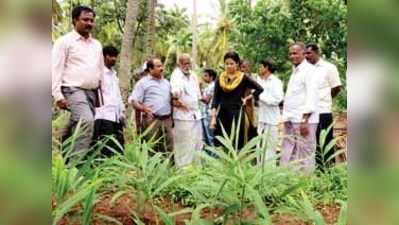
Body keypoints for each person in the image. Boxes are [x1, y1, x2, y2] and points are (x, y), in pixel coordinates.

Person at [52, 5, 104, 158]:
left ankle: (63, 159)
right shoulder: (64, 42)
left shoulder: (97, 45)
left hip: (91, 92)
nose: (89, 23)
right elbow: (55, 69)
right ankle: (76, 166)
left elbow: (99, 70)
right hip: (72, 89)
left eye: (92, 20)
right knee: (85, 121)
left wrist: (102, 94)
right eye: (85, 19)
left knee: (77, 125)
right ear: (75, 20)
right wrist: (58, 95)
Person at [210, 51, 263, 150]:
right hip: (222, 115)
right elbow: (215, 98)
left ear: (237, 64)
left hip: (237, 115)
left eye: (231, 64)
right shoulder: (220, 77)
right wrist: (213, 117)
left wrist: (248, 98)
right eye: (226, 64)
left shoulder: (243, 77)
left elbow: (259, 89)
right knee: (223, 145)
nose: (229, 66)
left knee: (238, 144)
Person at [281, 42, 319, 172]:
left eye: (295, 53)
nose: (292, 56)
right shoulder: (295, 72)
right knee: (290, 152)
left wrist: (305, 120)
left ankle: (307, 187)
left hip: (304, 120)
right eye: (290, 53)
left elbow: (311, 96)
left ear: (303, 53)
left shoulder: (310, 71)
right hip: (291, 119)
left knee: (305, 154)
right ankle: (291, 185)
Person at [305, 43, 342, 169]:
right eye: (305, 53)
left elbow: (336, 87)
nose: (306, 56)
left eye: (309, 53)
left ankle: (328, 172)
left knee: (325, 143)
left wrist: (326, 98)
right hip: (309, 114)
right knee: (311, 144)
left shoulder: (328, 68)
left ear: (317, 52)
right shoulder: (305, 69)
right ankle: (314, 172)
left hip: (323, 111)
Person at [129, 58, 174, 153]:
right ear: (150, 69)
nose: (161, 68)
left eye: (161, 66)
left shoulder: (167, 83)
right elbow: (134, 101)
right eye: (158, 66)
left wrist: (172, 118)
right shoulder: (142, 83)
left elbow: (170, 101)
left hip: (166, 120)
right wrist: (144, 109)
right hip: (152, 121)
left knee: (168, 149)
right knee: (151, 148)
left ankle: (169, 167)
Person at [170, 54, 203, 168]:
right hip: (182, 117)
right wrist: (175, 96)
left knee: (197, 143)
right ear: (179, 64)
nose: (187, 66)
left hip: (196, 114)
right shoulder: (176, 75)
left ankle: (196, 169)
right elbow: (175, 91)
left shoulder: (193, 75)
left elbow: (198, 95)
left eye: (189, 63)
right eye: (185, 63)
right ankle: (183, 170)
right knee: (184, 144)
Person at [92, 45, 125, 156]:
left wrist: (122, 112)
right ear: (104, 57)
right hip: (103, 116)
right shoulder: (98, 73)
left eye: (115, 56)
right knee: (105, 148)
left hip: (115, 117)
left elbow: (117, 95)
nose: (113, 59)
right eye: (110, 56)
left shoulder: (114, 75)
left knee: (118, 148)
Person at [256, 59, 284, 165]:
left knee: (270, 148)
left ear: (266, 67)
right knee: (259, 147)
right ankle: (259, 172)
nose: (259, 69)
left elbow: (278, 99)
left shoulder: (276, 82)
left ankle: (269, 173)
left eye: (260, 67)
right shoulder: (260, 81)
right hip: (261, 118)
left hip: (272, 119)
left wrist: (260, 96)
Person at [240, 59, 258, 142]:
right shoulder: (238, 79)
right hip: (242, 109)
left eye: (245, 67)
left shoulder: (255, 78)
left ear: (250, 67)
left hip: (254, 109)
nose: (243, 69)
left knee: (254, 130)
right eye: (242, 67)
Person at [200, 69, 217, 146]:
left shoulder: (213, 86)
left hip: (209, 115)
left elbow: (207, 100)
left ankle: (214, 155)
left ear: (211, 77)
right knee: (205, 137)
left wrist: (197, 94)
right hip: (205, 114)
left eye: (206, 75)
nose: (204, 77)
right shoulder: (208, 86)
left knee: (210, 137)